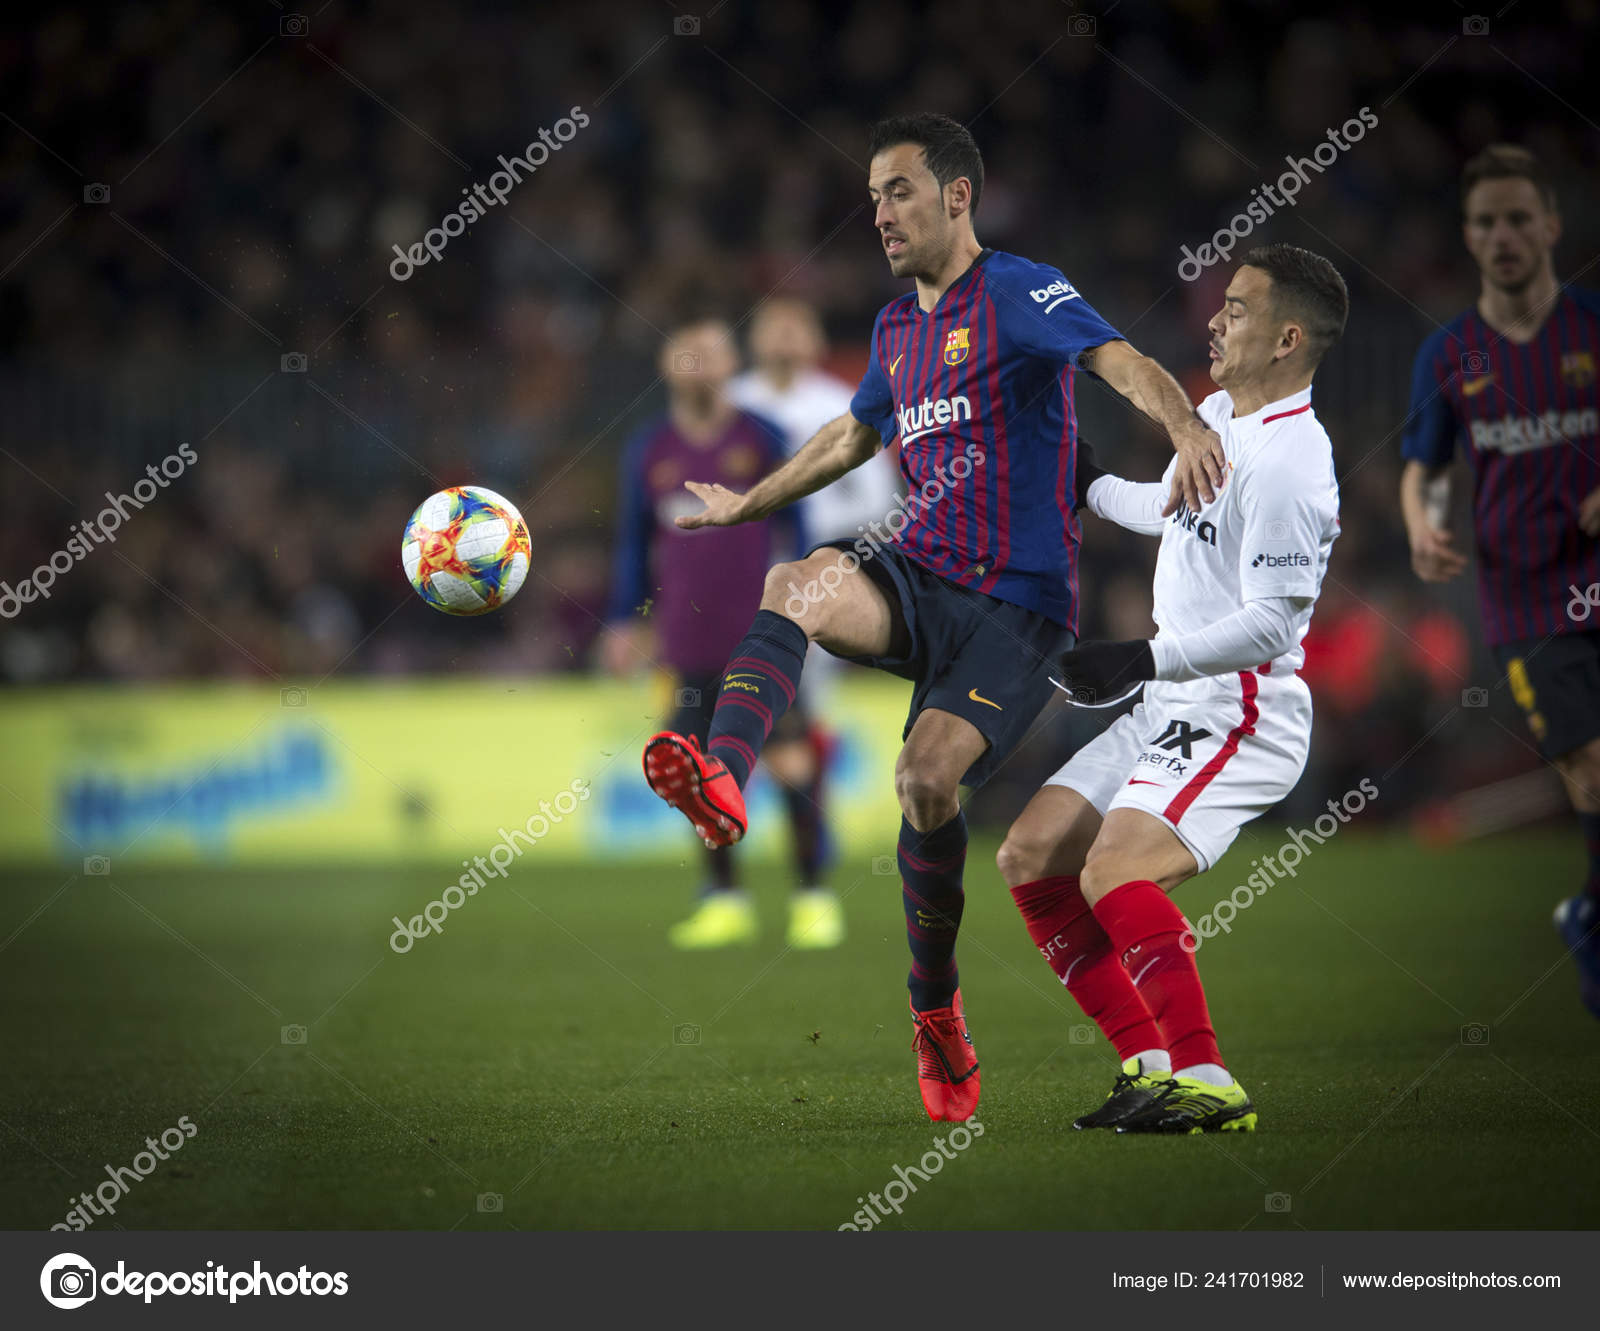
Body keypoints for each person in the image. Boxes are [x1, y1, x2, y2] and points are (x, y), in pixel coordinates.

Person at [640, 112, 1224, 1122]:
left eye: (898, 190)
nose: (879, 213)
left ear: (958, 195)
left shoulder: (1020, 291)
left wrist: (1182, 421)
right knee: (800, 580)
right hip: (916, 569)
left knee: (923, 781)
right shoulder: (892, 327)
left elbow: (1116, 358)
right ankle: (726, 780)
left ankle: (934, 1009)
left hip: (1017, 606)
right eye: (871, 196)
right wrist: (749, 501)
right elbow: (849, 433)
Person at [996, 244, 1347, 1133]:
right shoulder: (1222, 414)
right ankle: (1149, 1064)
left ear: (1288, 337)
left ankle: (1209, 1080)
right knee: (1032, 853)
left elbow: (1273, 625)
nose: (1217, 318)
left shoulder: (1295, 462)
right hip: (1168, 702)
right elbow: (1169, 508)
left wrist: (1144, 660)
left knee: (1113, 867)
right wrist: (1083, 480)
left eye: (1238, 307)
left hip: (1240, 712)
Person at [1399, 145, 1600, 1018]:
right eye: (1486, 222)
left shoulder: (1592, 330)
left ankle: (1590, 911)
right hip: (1528, 597)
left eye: (1519, 217)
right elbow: (1423, 467)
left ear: (1550, 226)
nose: (1503, 235)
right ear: (1470, 238)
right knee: (1589, 770)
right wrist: (1420, 523)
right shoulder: (1451, 354)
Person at [603, 315, 844, 951]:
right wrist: (626, 619)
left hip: (762, 636)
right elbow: (633, 543)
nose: (700, 362)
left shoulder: (763, 438)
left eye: (712, 351)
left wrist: (812, 604)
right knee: (694, 770)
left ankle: (812, 896)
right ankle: (724, 897)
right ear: (666, 365)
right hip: (685, 641)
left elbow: (803, 528)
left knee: (792, 763)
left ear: (732, 364)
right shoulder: (650, 448)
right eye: (687, 350)